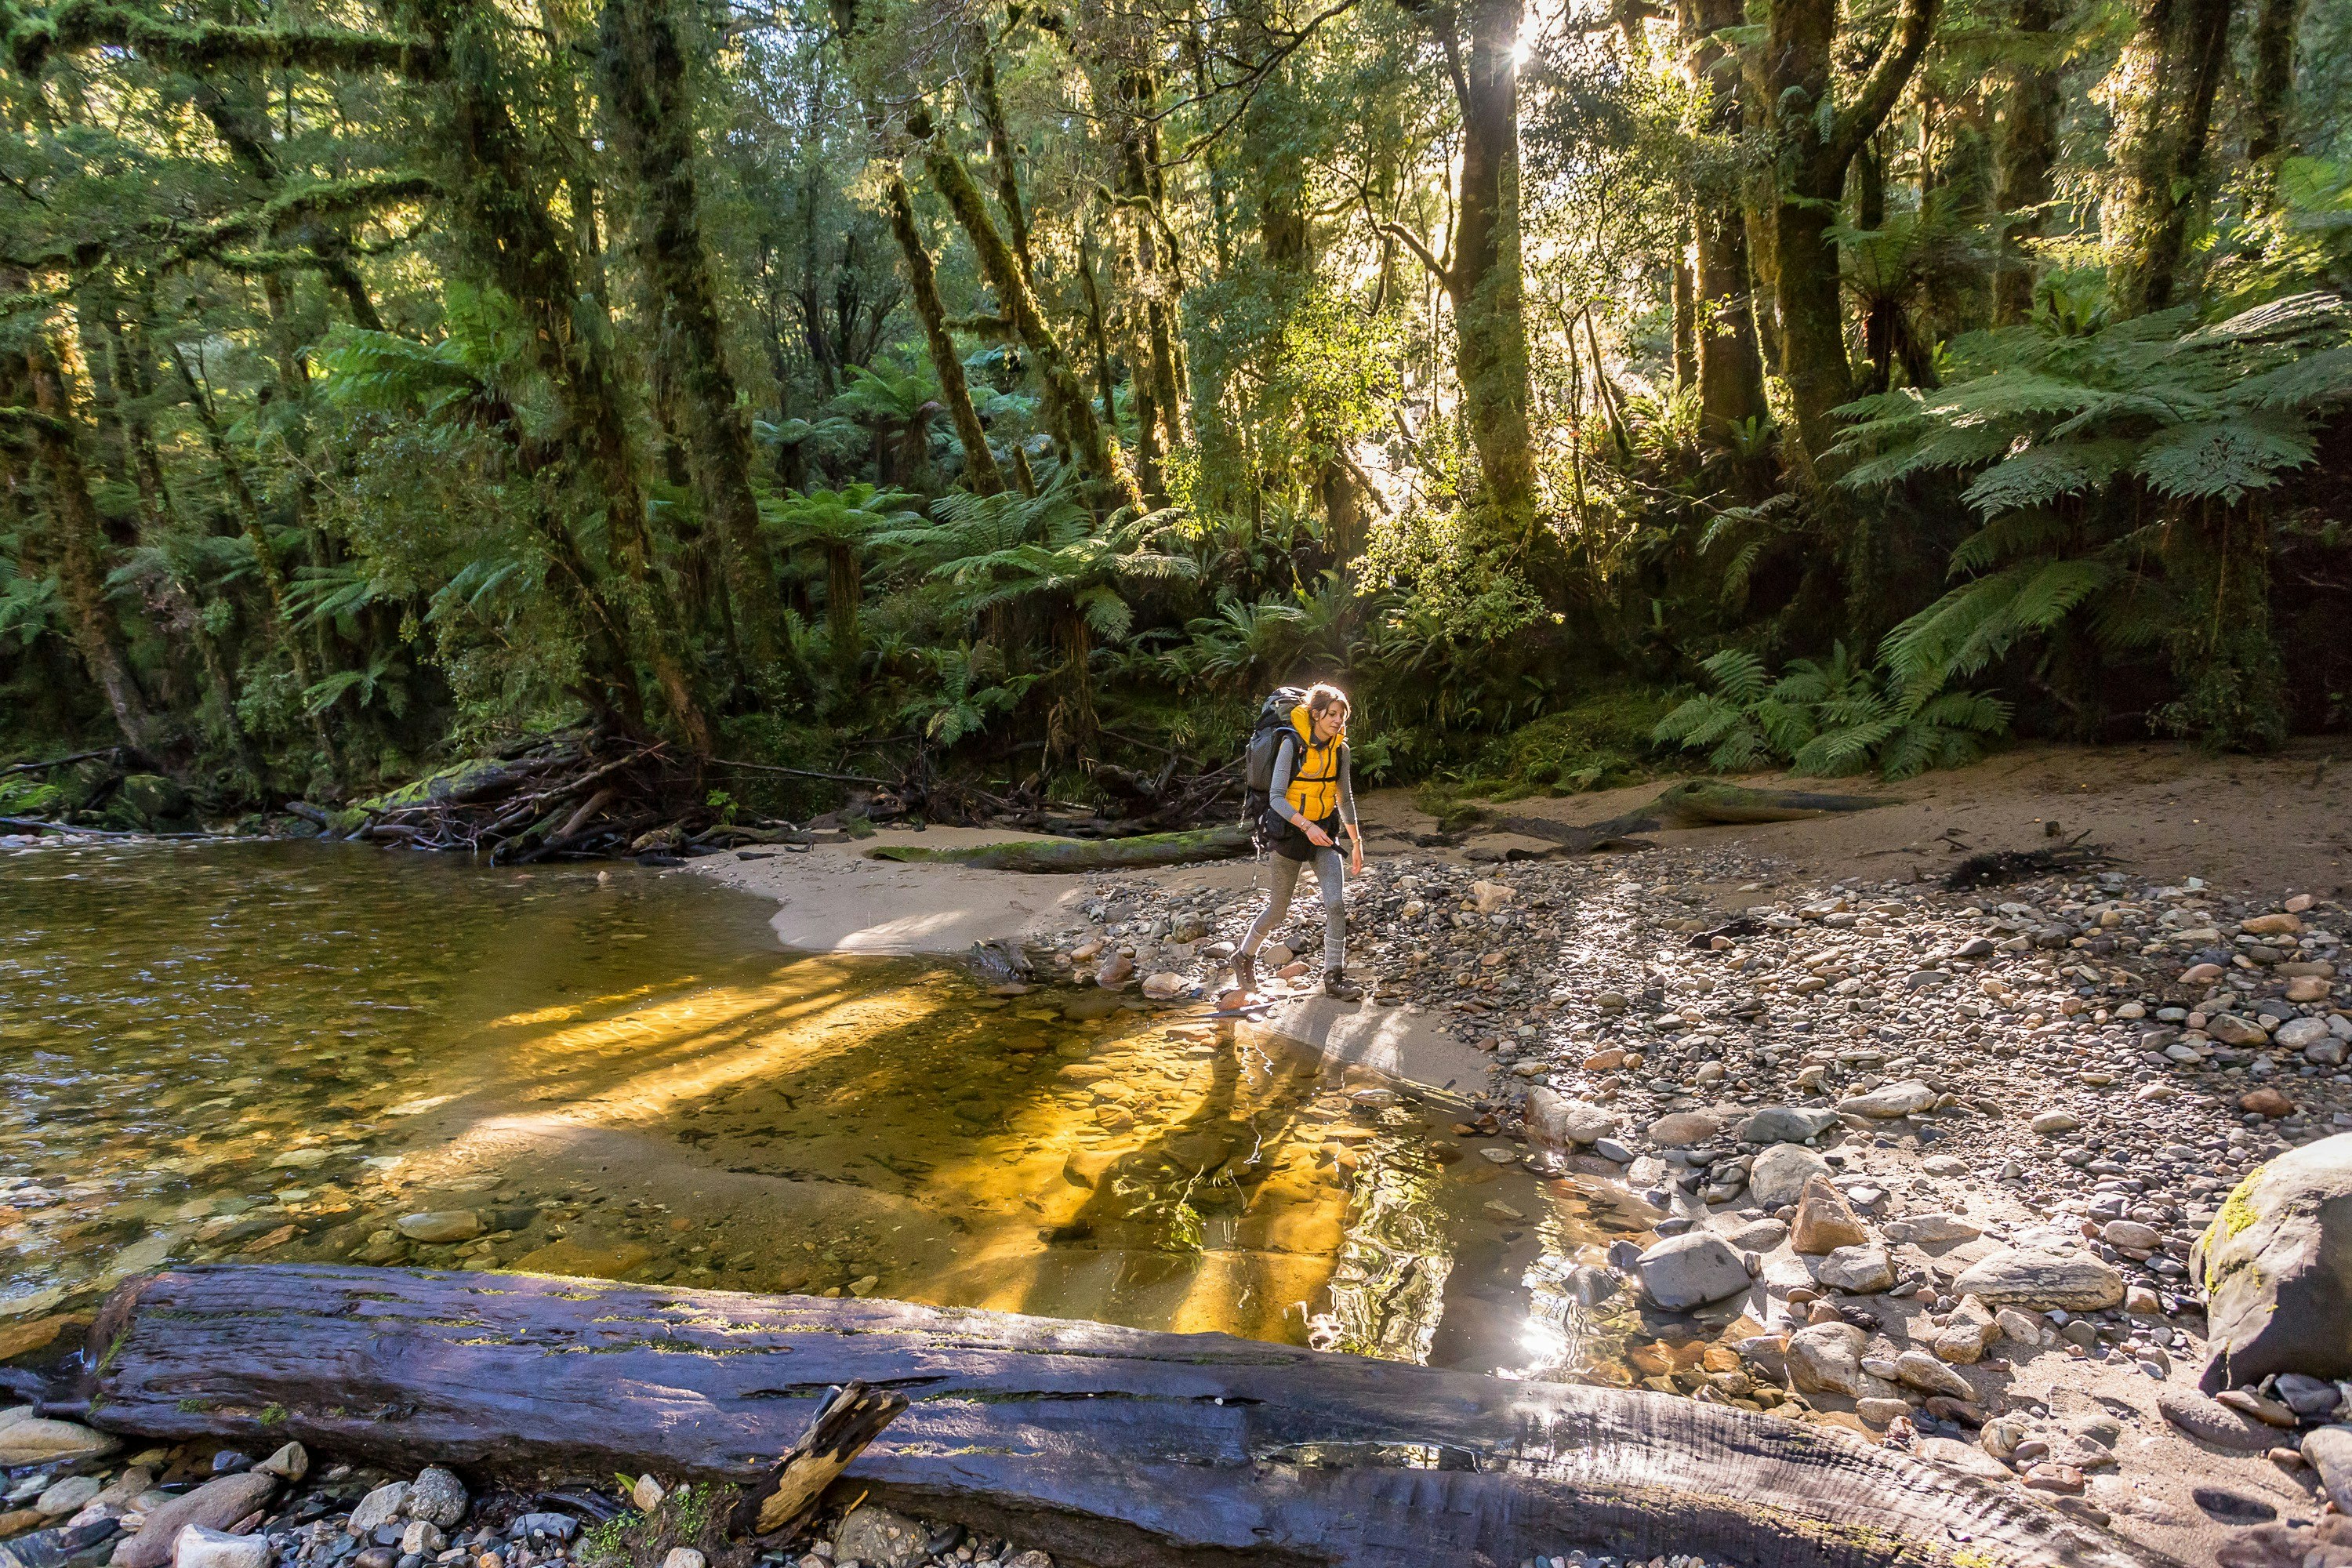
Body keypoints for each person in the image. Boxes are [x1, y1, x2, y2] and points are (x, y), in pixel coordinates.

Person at [1234, 684, 1364, 1001]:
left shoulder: (1341, 750)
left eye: (1342, 716)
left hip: (1324, 834)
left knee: (1336, 904)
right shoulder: (1291, 744)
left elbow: (1343, 798)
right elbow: (1277, 798)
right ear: (1316, 714)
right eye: (1332, 714)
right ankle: (1244, 955)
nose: (1337, 721)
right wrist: (1306, 827)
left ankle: (1334, 977)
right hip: (1290, 832)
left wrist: (1357, 841)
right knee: (1278, 910)